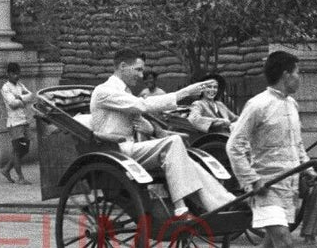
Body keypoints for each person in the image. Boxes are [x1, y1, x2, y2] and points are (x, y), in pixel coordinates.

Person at [219, 51, 313, 248]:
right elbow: (233, 145)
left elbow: (297, 147)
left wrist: (309, 170)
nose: (300, 77)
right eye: (297, 72)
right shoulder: (258, 104)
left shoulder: (292, 105)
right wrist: (251, 179)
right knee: (284, 242)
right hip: (265, 186)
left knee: (269, 246)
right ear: (286, 74)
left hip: (288, 186)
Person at [90, 50, 236, 218]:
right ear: (123, 66)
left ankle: (223, 202)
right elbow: (142, 105)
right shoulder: (104, 91)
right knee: (172, 141)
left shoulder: (124, 92)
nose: (141, 75)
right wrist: (185, 92)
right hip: (116, 151)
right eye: (137, 69)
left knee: (187, 160)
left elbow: (139, 116)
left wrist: (149, 129)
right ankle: (180, 208)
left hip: (130, 149)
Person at [0, 62, 34, 184]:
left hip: (24, 120)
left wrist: (19, 98)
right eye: (13, 73)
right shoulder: (5, 88)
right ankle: (20, 177)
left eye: (17, 73)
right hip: (14, 123)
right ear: (8, 74)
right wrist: (22, 99)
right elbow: (12, 104)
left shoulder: (20, 85)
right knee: (17, 149)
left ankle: (6, 169)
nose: (16, 76)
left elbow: (30, 95)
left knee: (25, 149)